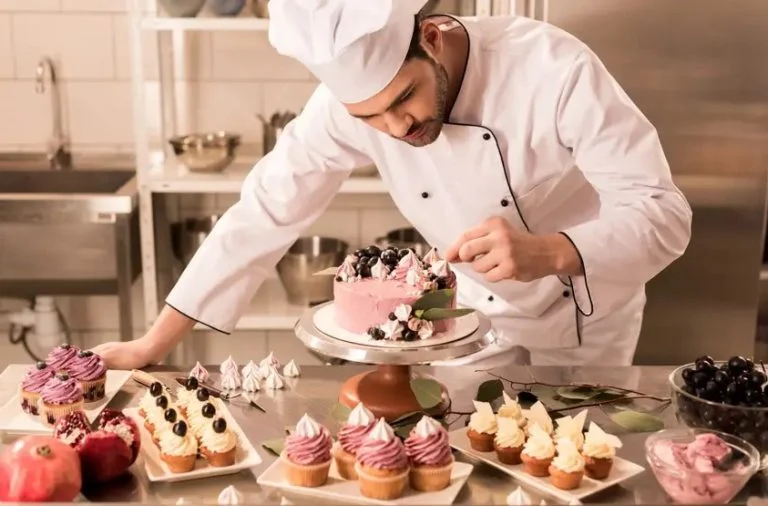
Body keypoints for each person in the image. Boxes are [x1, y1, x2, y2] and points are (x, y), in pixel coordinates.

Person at [93, 0, 691, 369]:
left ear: (431, 35)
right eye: (370, 118)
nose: (397, 128)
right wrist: (154, 343)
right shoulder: (347, 106)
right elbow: (264, 211)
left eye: (404, 97)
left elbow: (663, 213)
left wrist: (552, 250)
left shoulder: (551, 68)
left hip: (584, 322)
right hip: (469, 325)